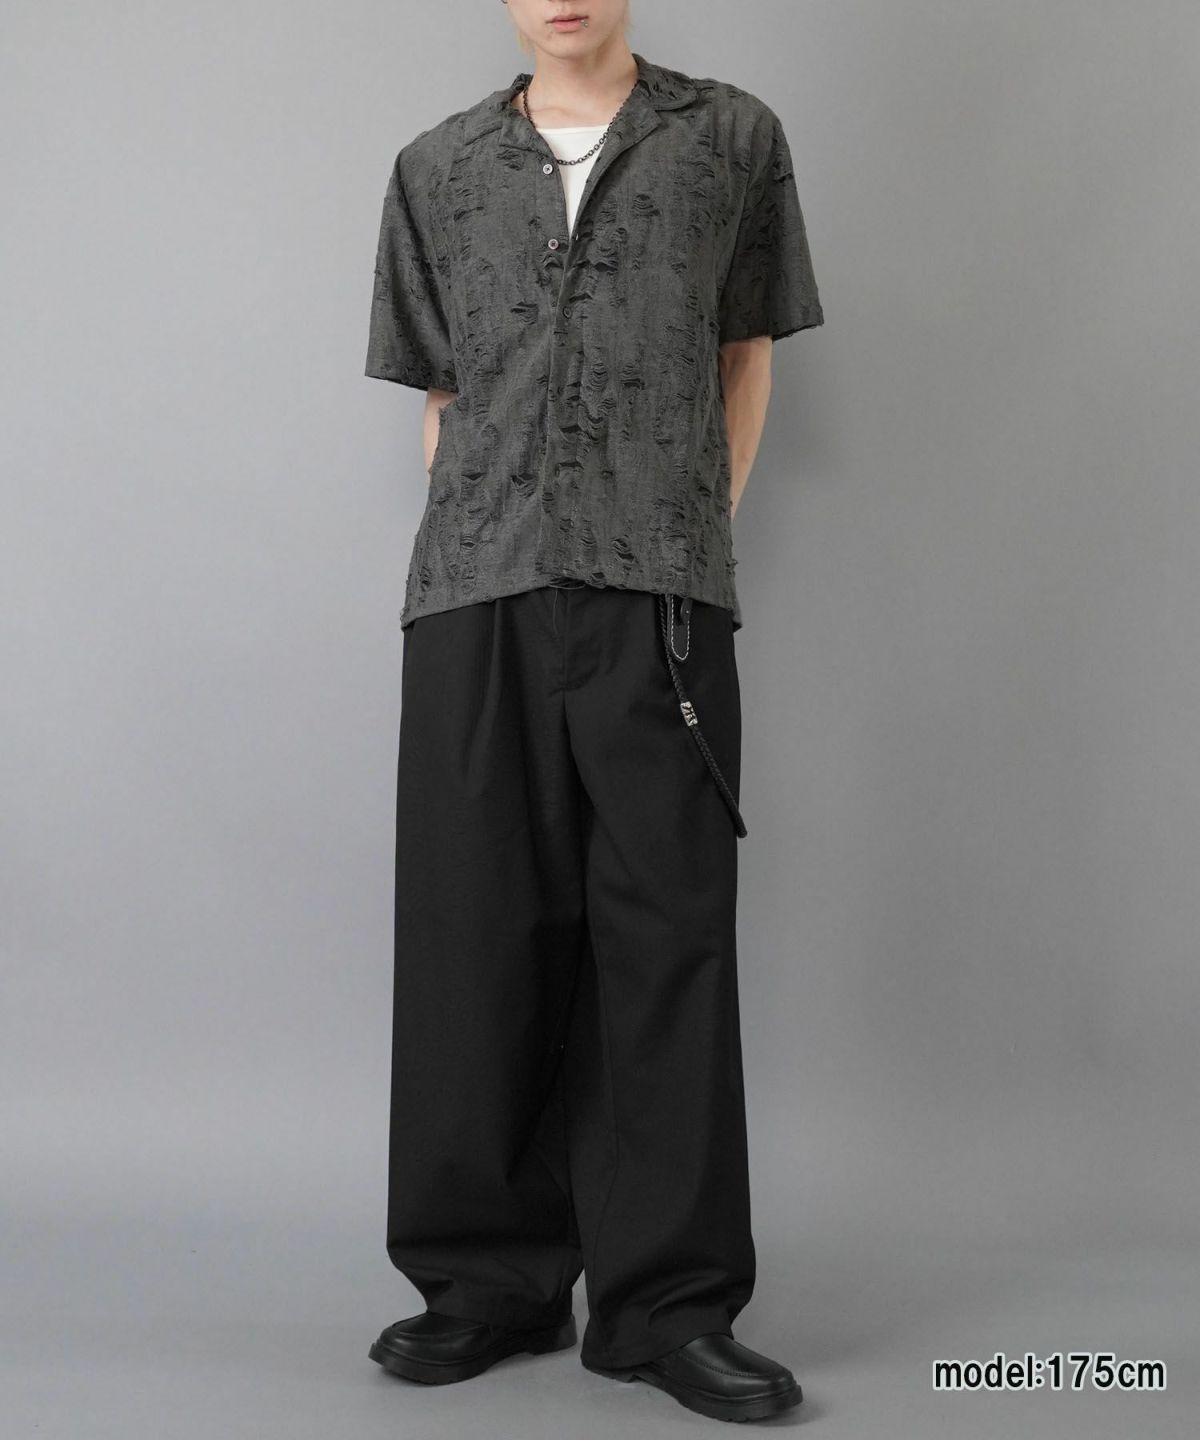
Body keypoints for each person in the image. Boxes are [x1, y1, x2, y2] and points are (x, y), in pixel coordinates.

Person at [362, 0, 824, 1423]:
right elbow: (443, 392)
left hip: (658, 596)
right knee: (473, 935)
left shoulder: (730, 138)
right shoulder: (436, 166)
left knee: (665, 936)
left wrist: (686, 526)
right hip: (477, 594)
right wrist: (476, 533)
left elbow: (747, 353)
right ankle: (486, 1284)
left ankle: (667, 1306)